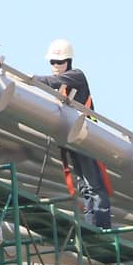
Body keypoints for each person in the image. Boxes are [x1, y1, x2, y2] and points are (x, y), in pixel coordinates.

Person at [35, 38, 112, 228]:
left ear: (68, 61)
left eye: (59, 62)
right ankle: (92, 225)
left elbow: (53, 81)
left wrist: (31, 79)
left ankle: (101, 227)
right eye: (52, 62)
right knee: (85, 187)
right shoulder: (61, 87)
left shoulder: (76, 76)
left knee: (94, 185)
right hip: (73, 140)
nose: (55, 66)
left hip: (87, 137)